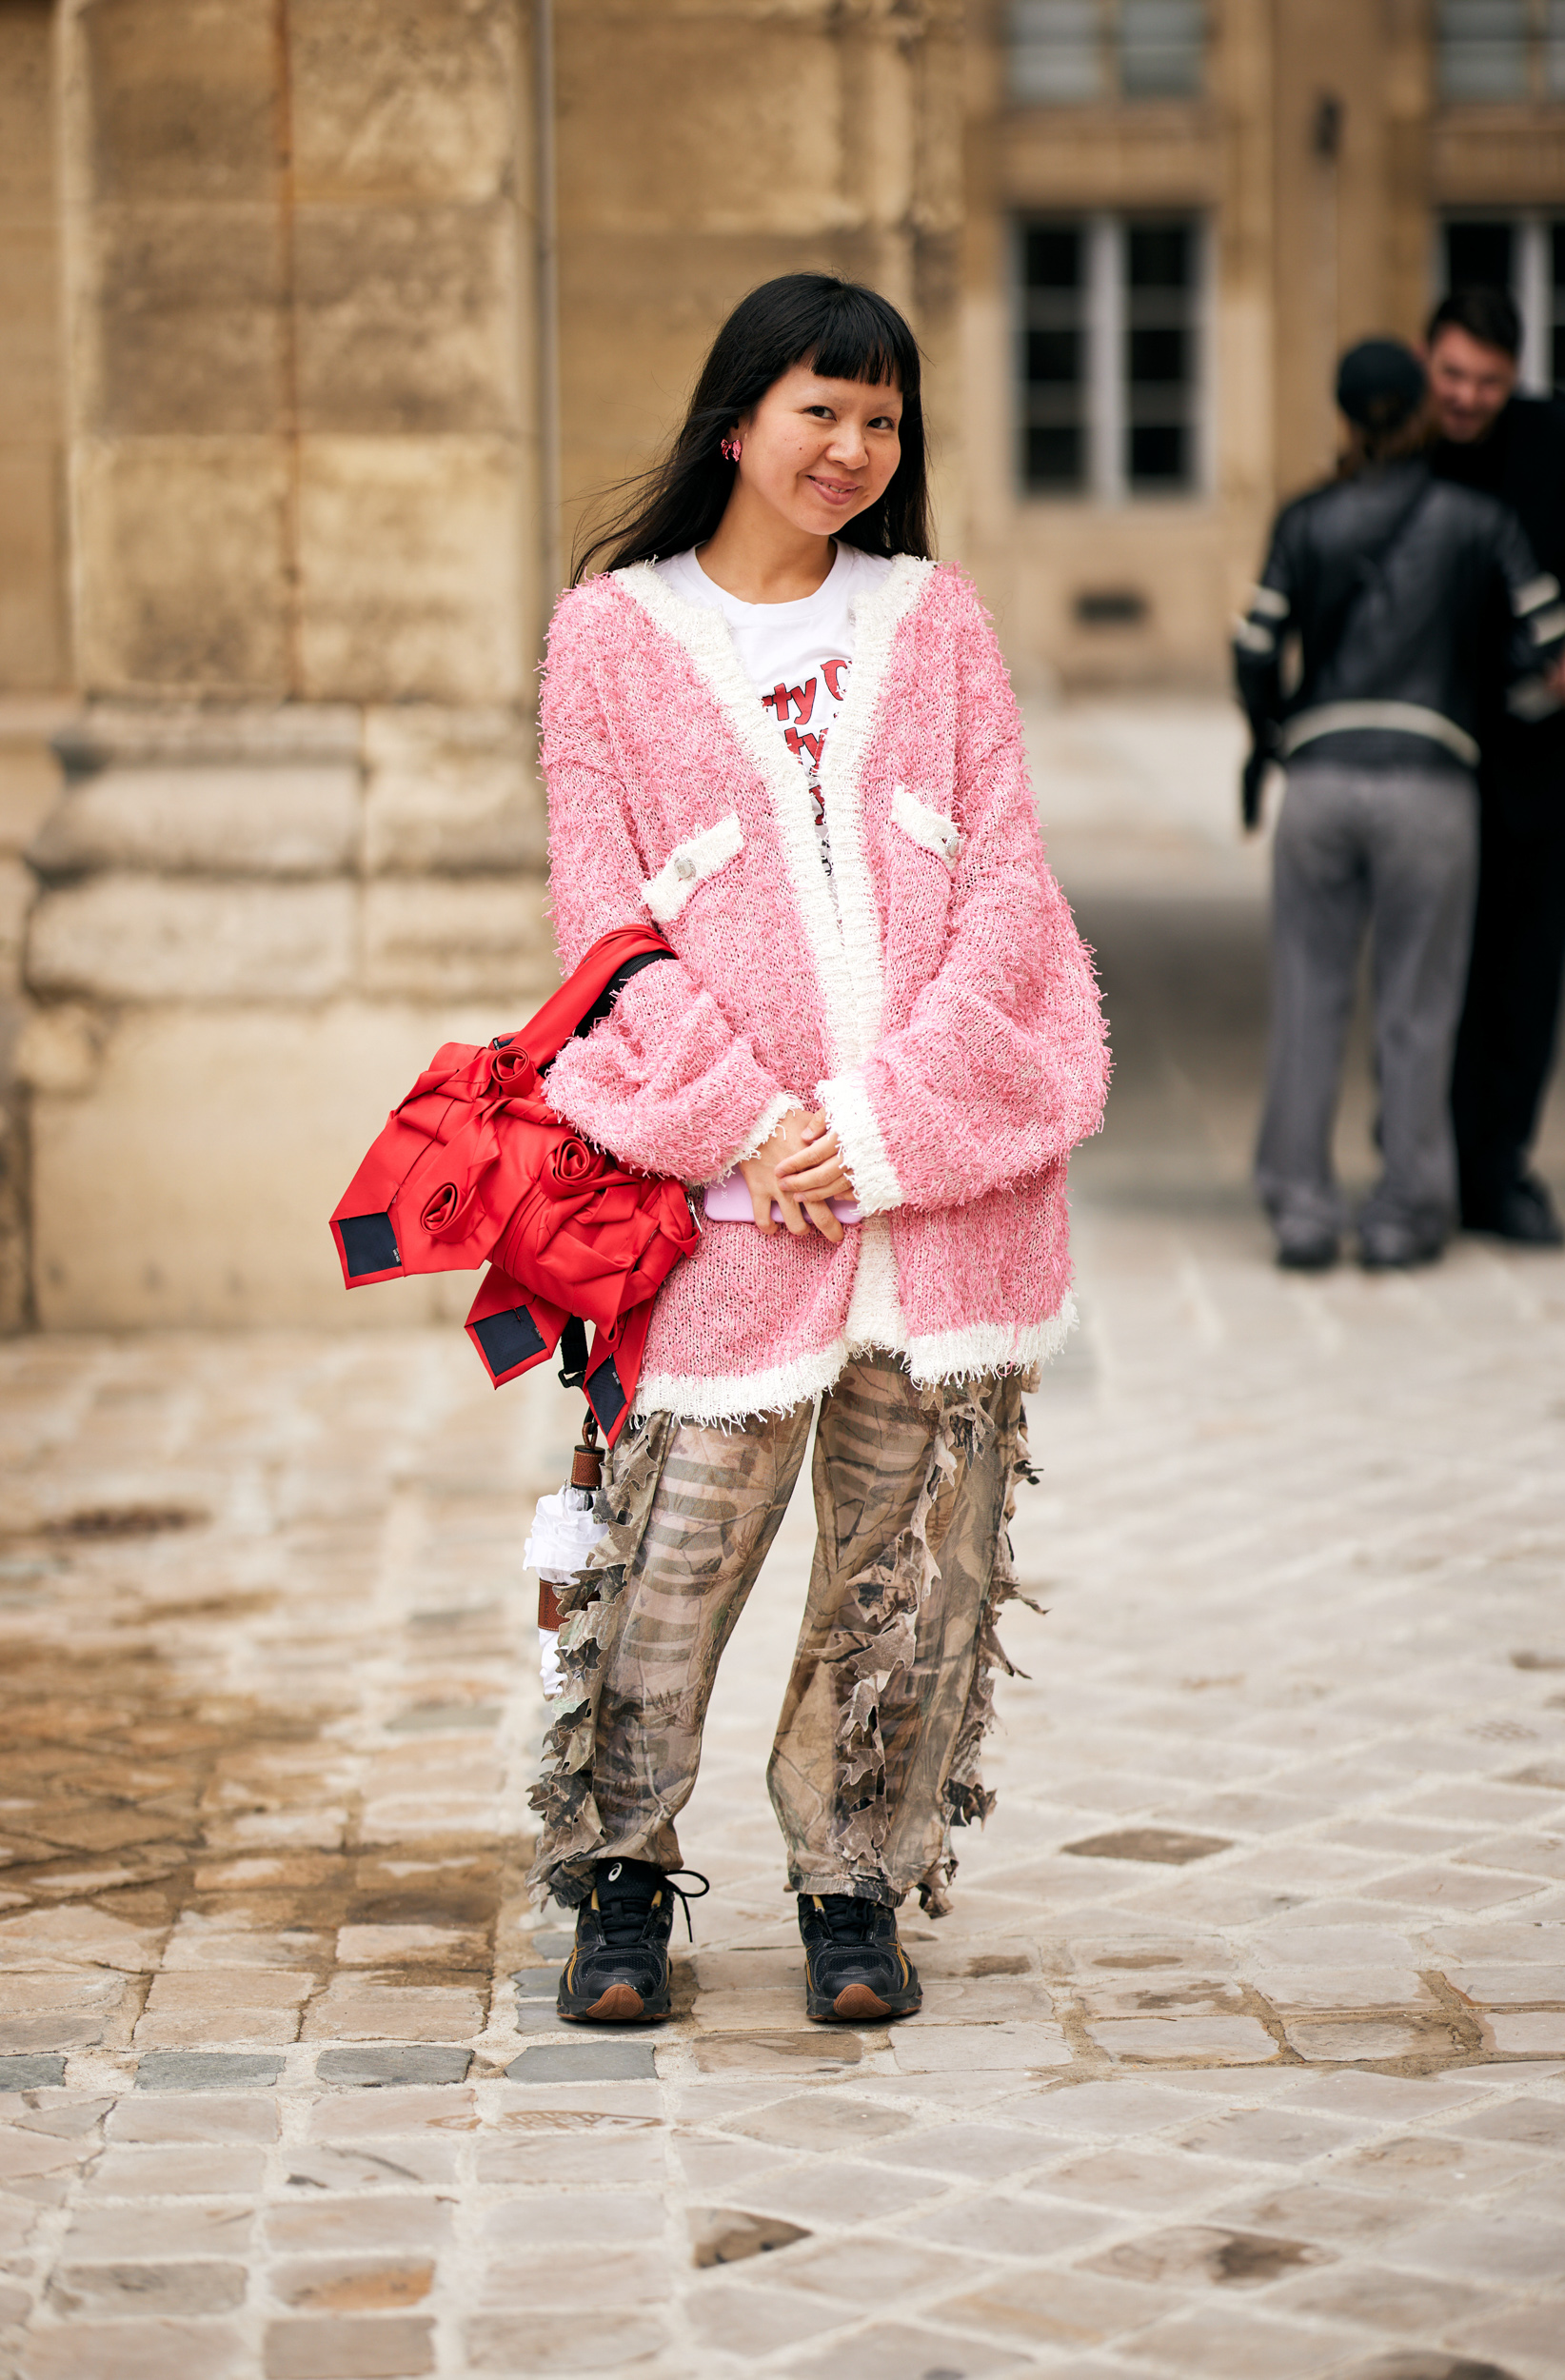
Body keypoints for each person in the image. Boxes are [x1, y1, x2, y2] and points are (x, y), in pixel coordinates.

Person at [525, 275, 1109, 2025]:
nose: (853, 449)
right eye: (819, 411)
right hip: (727, 1208)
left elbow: (1008, 896)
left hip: (932, 1212)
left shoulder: (933, 624)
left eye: (882, 418)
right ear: (735, 419)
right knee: (670, 1554)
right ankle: (620, 1875)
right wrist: (747, 1129)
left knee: (907, 1565)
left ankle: (852, 1884)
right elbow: (598, 927)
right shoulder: (609, 640)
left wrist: (870, 1133)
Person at [1236, 339, 1565, 1273]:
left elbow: (1253, 649)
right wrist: (1500, 710)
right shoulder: (1478, 519)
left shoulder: (1303, 518)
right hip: (1431, 779)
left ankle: (1301, 1210)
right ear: (1420, 408)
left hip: (1320, 778)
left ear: (1344, 415)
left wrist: (1271, 738)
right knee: (1418, 1006)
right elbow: (1544, 646)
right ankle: (1404, 1212)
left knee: (1308, 993)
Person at [1425, 288, 1565, 1247]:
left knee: (1526, 971)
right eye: (1451, 374)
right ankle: (1428, 1155)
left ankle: (1500, 1168)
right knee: (1437, 971)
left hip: (1543, 757)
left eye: (1486, 381)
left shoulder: (1564, 440)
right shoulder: (1404, 442)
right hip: (1430, 753)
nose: (1465, 397)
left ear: (1512, 377)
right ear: (1424, 358)